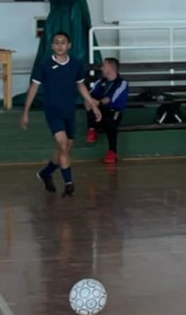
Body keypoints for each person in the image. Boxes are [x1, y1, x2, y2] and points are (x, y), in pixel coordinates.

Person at [20, 32, 101, 199]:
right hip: (53, 111)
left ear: (69, 45)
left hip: (69, 111)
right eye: (56, 42)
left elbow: (80, 86)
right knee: (63, 144)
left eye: (63, 42)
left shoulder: (76, 65)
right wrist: (25, 112)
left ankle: (46, 173)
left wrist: (92, 104)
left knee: (65, 147)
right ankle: (69, 184)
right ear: (52, 46)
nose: (59, 45)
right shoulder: (45, 65)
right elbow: (33, 88)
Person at [88, 56, 129, 164]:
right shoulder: (100, 82)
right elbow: (89, 95)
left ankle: (112, 151)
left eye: (103, 66)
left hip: (114, 111)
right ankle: (91, 129)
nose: (101, 68)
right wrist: (88, 101)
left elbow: (110, 99)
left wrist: (96, 102)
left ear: (111, 68)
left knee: (109, 121)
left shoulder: (121, 83)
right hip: (100, 110)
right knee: (92, 106)